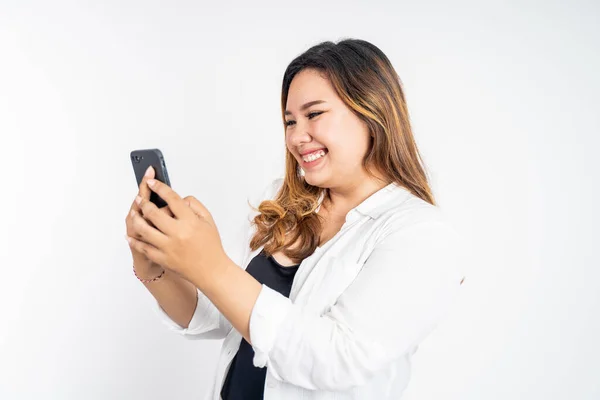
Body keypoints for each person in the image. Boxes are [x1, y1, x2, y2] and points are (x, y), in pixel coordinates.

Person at [124, 38, 467, 400]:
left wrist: (209, 265)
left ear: (372, 113)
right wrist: (153, 266)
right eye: (290, 121)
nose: (296, 137)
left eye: (314, 114)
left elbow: (337, 359)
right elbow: (220, 316)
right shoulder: (283, 201)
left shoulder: (422, 235)